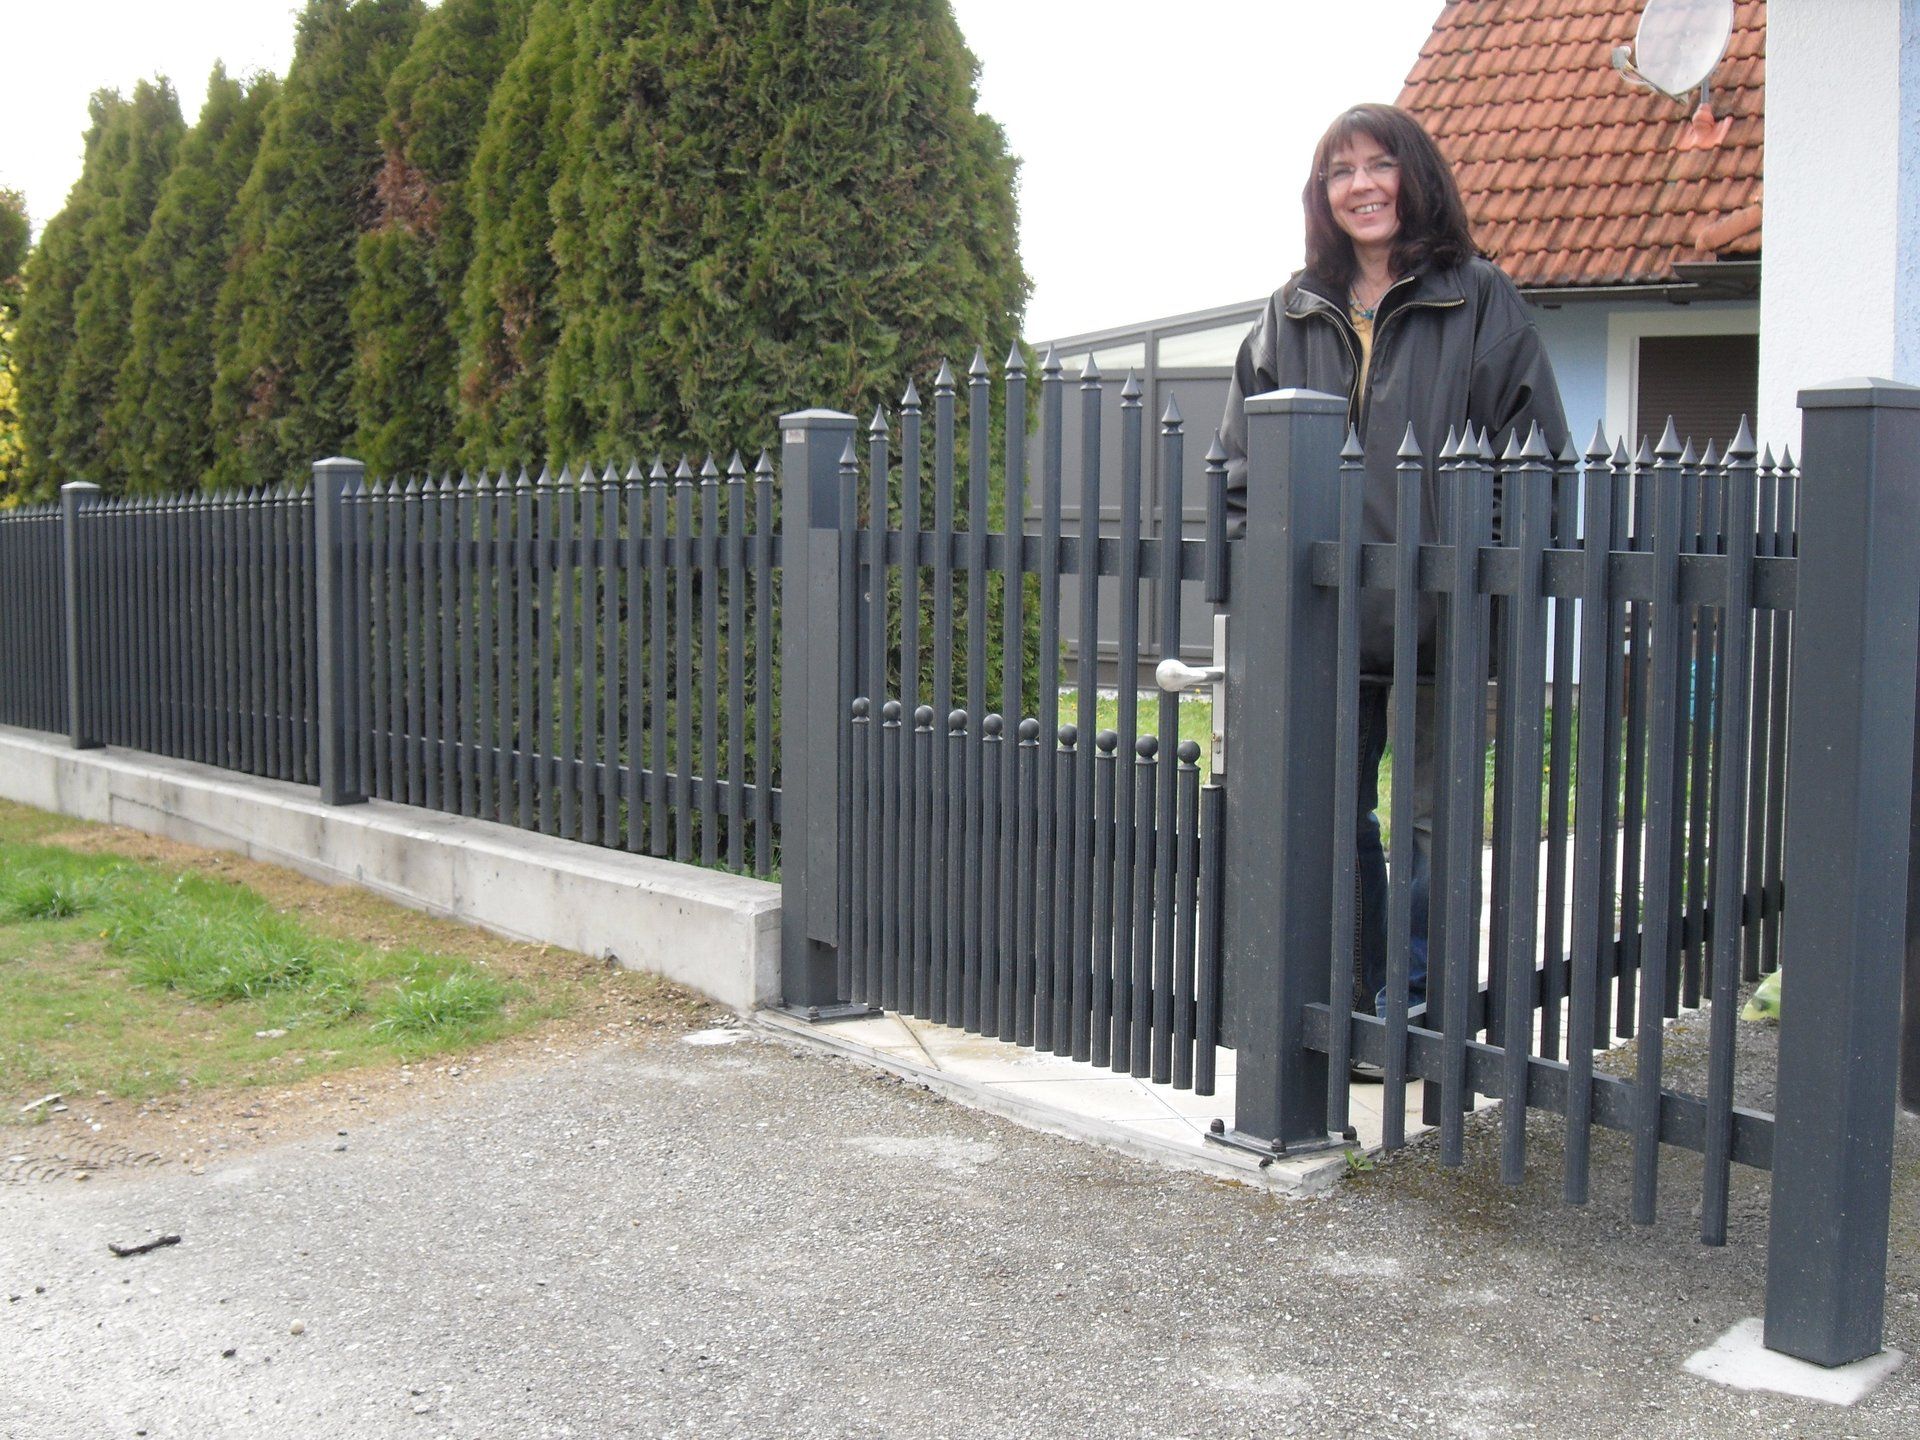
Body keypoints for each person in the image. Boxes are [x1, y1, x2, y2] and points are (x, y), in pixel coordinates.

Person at [1218, 103, 1567, 1055]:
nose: (1361, 186)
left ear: (1416, 178)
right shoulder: (1288, 313)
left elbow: (1532, 453)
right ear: (1320, 196)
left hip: (1436, 626)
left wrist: (1475, 578)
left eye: (1380, 165)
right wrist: (1262, 594)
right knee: (1330, 816)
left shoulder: (1478, 297)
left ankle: (1418, 1005)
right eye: (1340, 171)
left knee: (1425, 824)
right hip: (1321, 626)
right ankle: (1354, 991)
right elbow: (1237, 473)